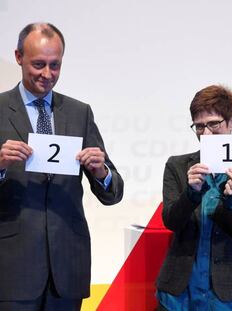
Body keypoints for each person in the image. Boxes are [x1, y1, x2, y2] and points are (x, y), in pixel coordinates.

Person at [0, 23, 124, 310]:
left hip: (67, 267)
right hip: (12, 269)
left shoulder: (79, 112)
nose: (47, 74)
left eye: (55, 65)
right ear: (18, 57)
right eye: (39, 64)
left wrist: (101, 172)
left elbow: (113, 193)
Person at [156, 85, 232, 310]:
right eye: (199, 126)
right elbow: (171, 221)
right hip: (181, 293)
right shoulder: (178, 166)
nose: (206, 134)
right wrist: (191, 193)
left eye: (213, 124)